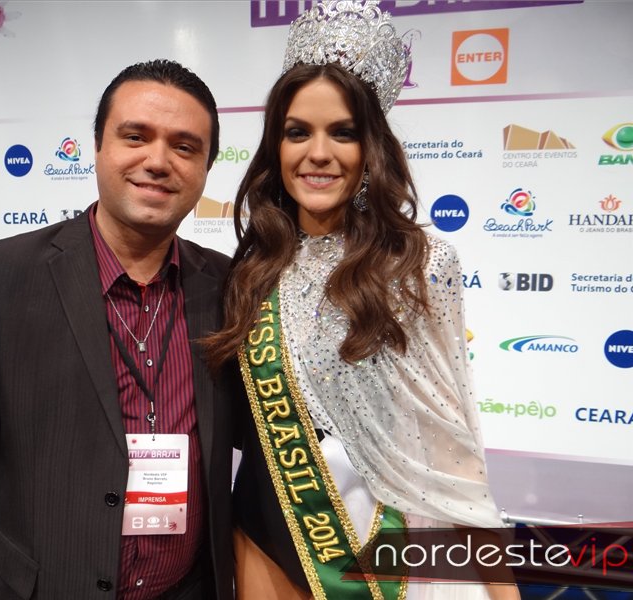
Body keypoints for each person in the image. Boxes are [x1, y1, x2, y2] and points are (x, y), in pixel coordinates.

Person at [203, 2, 521, 599]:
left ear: (370, 145)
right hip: (266, 543)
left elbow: (451, 451)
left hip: (389, 547)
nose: (318, 153)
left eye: (342, 132)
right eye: (298, 132)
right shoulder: (252, 269)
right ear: (276, 146)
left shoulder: (420, 264)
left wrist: (502, 589)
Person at [0, 59, 238, 600]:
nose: (157, 161)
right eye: (135, 136)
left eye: (185, 147)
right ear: (97, 147)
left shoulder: (229, 285)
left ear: (207, 168)